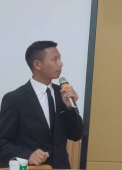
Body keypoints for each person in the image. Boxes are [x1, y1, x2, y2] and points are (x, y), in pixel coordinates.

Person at [0, 41, 83, 169]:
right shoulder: (15, 99)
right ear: (37, 64)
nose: (60, 63)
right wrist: (27, 155)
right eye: (54, 59)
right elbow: (2, 142)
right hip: (34, 167)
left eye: (60, 58)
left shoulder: (62, 94)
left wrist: (70, 108)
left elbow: (76, 135)